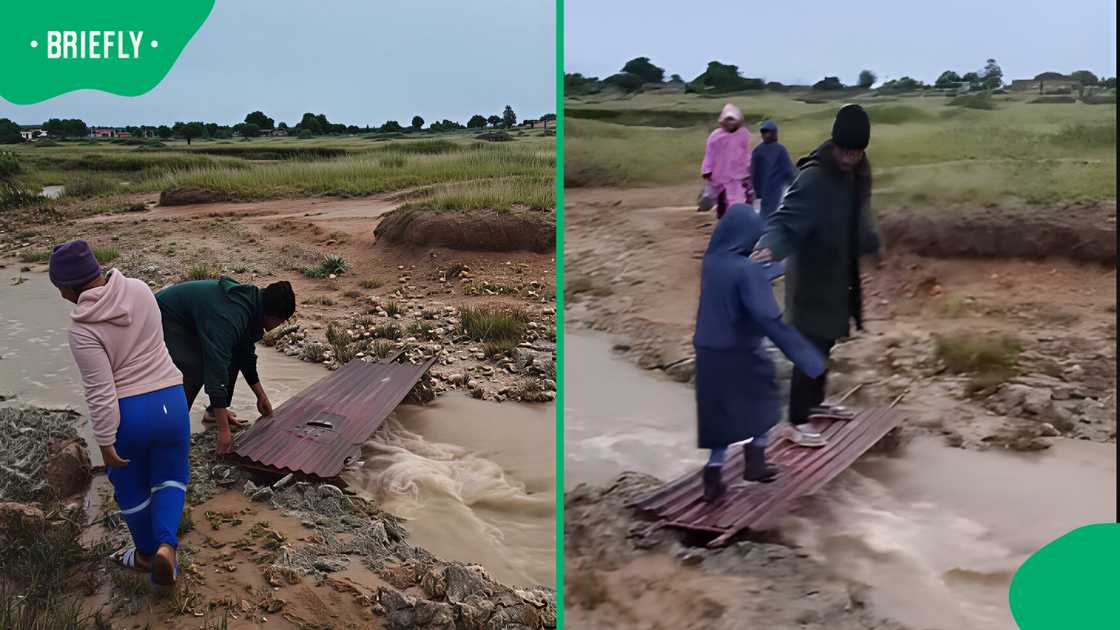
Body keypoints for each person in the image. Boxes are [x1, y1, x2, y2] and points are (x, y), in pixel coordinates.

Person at [50, 240, 187, 586]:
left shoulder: (82, 329)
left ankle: (144, 553)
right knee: (171, 475)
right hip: (172, 399)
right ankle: (167, 548)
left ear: (66, 288)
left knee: (130, 486)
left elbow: (100, 391)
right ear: (96, 270)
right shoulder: (140, 290)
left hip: (131, 412)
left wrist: (105, 441)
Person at [752, 104, 882, 447]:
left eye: (856, 152)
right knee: (808, 343)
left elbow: (860, 215)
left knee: (826, 339)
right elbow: (785, 219)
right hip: (811, 274)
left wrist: (870, 242)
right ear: (834, 144)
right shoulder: (814, 176)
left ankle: (814, 403)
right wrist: (769, 247)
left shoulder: (859, 172)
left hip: (839, 271)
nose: (849, 158)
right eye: (844, 151)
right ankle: (794, 421)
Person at [694, 204, 826, 502]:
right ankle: (755, 463)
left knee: (718, 413)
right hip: (741, 352)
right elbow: (768, 318)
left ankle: (713, 476)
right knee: (766, 402)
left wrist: (779, 265)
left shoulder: (712, 261)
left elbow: (746, 274)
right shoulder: (748, 271)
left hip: (707, 350)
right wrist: (805, 356)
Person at [155, 277, 295, 456]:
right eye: (282, 320)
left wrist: (261, 397)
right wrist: (223, 431)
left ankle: (214, 412)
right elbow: (216, 367)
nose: (281, 325)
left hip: (192, 319)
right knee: (195, 370)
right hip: (165, 316)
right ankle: (173, 431)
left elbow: (245, 355)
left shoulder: (253, 306)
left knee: (234, 354)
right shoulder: (231, 316)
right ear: (271, 314)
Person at [699, 103, 754, 218]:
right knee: (718, 198)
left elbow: (748, 152)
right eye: (727, 119)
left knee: (737, 200)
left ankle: (737, 219)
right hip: (719, 174)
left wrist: (749, 169)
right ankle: (720, 216)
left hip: (738, 175)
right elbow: (710, 154)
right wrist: (707, 169)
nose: (729, 123)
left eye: (732, 119)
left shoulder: (743, 134)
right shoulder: (715, 136)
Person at [750, 120, 796, 218]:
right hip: (777, 189)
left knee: (765, 216)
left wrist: (757, 193)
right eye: (764, 132)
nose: (766, 135)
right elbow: (788, 170)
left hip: (763, 191)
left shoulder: (757, 151)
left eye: (767, 132)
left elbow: (754, 174)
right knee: (776, 215)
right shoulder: (780, 149)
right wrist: (795, 183)